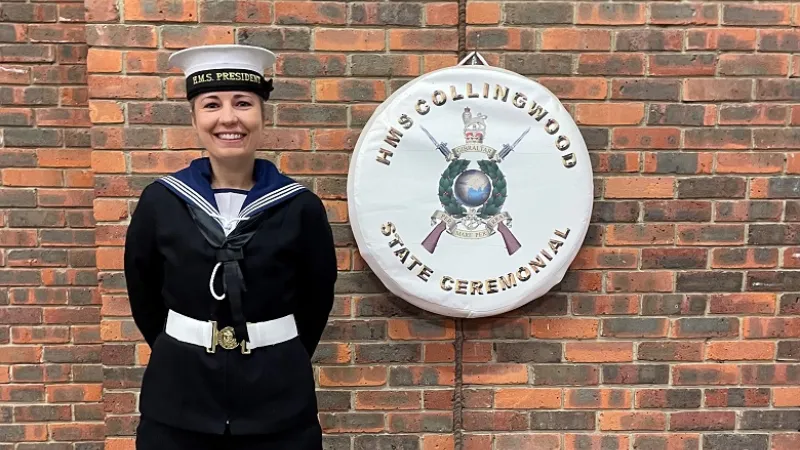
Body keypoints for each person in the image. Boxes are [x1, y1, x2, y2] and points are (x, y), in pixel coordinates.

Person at [123, 44, 338, 449]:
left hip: (277, 401)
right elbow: (144, 293)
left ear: (261, 114)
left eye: (242, 103)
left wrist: (275, 354)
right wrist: (182, 347)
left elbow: (315, 301)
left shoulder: (300, 206)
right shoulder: (161, 202)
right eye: (211, 105)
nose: (228, 118)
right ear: (193, 117)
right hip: (179, 398)